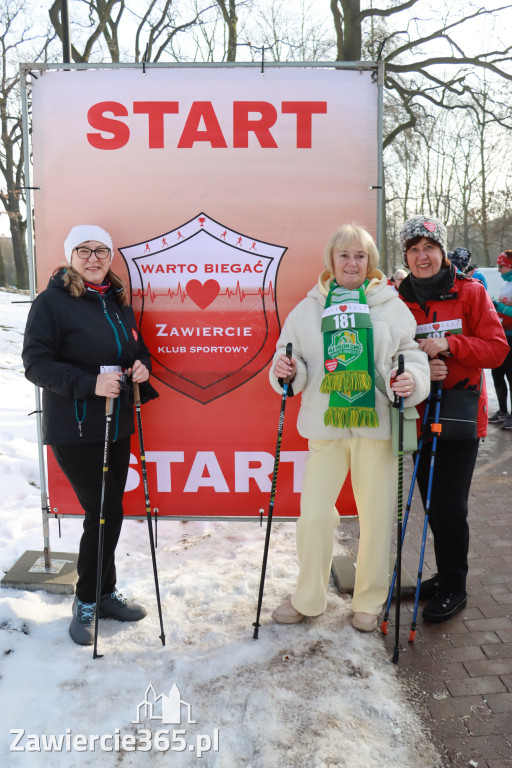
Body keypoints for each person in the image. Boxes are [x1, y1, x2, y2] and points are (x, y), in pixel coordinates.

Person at [269, 224, 430, 632]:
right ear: (331, 261)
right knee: (315, 515)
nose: (352, 263)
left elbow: (410, 356)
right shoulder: (309, 308)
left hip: (375, 427)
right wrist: (286, 371)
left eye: (360, 256)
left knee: (376, 516)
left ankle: (370, 598)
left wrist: (410, 380)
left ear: (370, 262)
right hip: (326, 426)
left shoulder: (390, 305)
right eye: (344, 255)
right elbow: (291, 361)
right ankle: (308, 595)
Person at [23, 225, 157, 646]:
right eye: (84, 250)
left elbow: (136, 350)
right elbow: (35, 364)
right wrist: (88, 385)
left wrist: (141, 368)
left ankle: (103, 592)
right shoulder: (52, 303)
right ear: (70, 256)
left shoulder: (116, 302)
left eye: (102, 250)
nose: (94, 258)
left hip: (115, 426)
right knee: (101, 512)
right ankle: (85, 600)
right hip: (77, 428)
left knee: (111, 512)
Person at [398, 216, 508, 622]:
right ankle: (443, 576)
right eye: (413, 249)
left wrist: (450, 345)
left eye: (428, 247)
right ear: (406, 256)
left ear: (442, 252)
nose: (421, 256)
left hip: (460, 415)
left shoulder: (470, 293)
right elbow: (393, 354)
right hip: (419, 415)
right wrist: (421, 365)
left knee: (450, 506)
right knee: (432, 503)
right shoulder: (397, 298)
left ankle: (455, 587)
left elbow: (496, 350)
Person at [488, 250, 512, 429]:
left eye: (501, 266)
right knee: (497, 373)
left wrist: (500, 307)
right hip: (502, 336)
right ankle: (503, 410)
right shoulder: (506, 285)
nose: (498, 270)